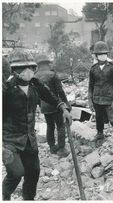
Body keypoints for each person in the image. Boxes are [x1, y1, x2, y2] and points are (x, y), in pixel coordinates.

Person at [2, 50, 72, 200]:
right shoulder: (7, 89)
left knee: (34, 172)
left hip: (29, 139)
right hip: (10, 140)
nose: (27, 71)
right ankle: (5, 195)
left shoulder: (35, 84)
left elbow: (49, 95)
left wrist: (62, 107)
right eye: (22, 68)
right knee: (16, 173)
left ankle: (29, 198)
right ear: (14, 70)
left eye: (30, 67)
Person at [88, 41, 113, 154]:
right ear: (96, 56)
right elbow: (90, 86)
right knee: (98, 118)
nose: (103, 56)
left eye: (105, 54)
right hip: (97, 98)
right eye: (100, 54)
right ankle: (100, 135)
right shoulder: (93, 69)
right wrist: (90, 101)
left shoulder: (112, 68)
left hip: (109, 98)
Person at [34, 54, 71, 157]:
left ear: (38, 64)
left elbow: (36, 95)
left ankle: (52, 147)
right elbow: (60, 91)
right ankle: (62, 149)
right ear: (47, 63)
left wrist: (39, 105)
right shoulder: (52, 74)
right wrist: (66, 104)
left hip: (44, 106)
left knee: (50, 126)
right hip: (56, 105)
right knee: (60, 126)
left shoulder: (35, 76)